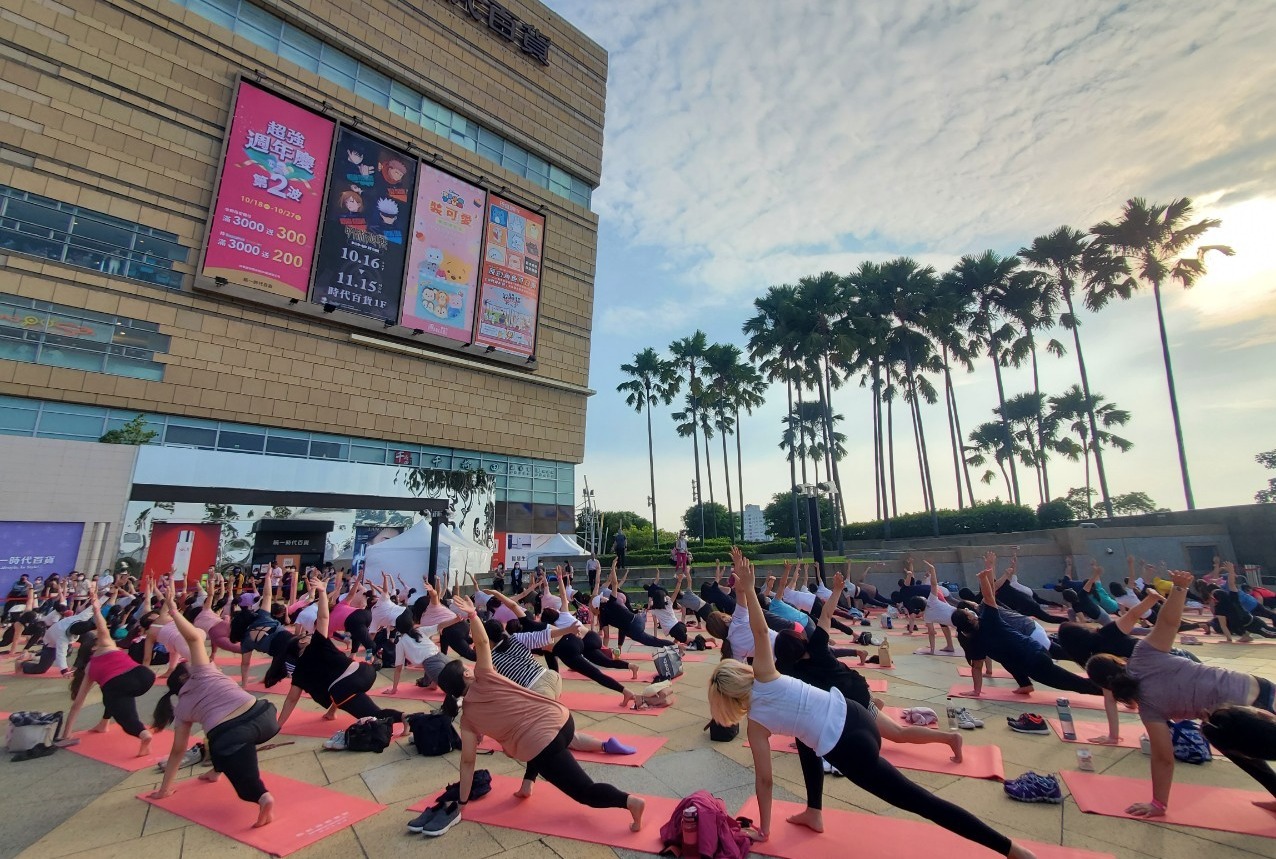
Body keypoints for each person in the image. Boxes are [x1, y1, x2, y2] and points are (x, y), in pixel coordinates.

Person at [707, 548, 1035, 858]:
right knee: (805, 739)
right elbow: (762, 632)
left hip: (849, 747)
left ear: (727, 702)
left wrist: (764, 831)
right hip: (856, 712)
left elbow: (765, 780)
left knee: (922, 802)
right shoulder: (765, 673)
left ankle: (1010, 849)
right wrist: (748, 589)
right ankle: (814, 812)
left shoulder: (756, 726)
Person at [437, 594, 645, 837]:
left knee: (584, 791)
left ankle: (630, 802)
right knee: (537, 738)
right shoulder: (488, 671)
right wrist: (472, 615)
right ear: (466, 676)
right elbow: (484, 642)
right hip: (560, 715)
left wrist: (462, 802)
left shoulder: (468, 719)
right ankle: (530, 783)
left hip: (543, 738)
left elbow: (468, 762)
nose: (470, 666)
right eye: (466, 668)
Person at [1084, 569, 1275, 817]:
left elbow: (1163, 758)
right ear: (1119, 661)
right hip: (1251, 696)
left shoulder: (1148, 708)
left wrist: (1158, 804)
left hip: (1242, 714)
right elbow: (1169, 623)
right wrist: (1179, 588)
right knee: (1224, 738)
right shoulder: (1143, 655)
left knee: (1226, 740)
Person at [151, 586, 280, 828]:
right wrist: (173, 611)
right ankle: (215, 772)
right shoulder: (202, 671)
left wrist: (165, 790)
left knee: (227, 751)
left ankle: (262, 798)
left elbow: (178, 751)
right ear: (183, 677)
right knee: (223, 740)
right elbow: (193, 638)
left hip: (234, 735)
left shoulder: (181, 709)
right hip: (267, 717)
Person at [951, 553, 1106, 701]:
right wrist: (985, 575)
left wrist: (976, 691)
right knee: (1008, 658)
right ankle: (1025, 684)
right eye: (966, 611)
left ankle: (1117, 691)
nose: (968, 609)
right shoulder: (988, 619)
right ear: (970, 618)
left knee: (1075, 682)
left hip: (1033, 654)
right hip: (1033, 652)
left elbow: (977, 667)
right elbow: (989, 595)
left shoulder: (973, 639)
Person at [266, 579, 400, 737]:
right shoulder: (339, 611)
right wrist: (324, 592)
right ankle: (371, 661)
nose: (308, 635)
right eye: (306, 635)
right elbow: (324, 616)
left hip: (347, 684)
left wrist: (279, 724)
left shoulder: (301, 670)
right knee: (364, 646)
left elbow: (291, 700)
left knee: (351, 693)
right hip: (365, 671)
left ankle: (403, 717)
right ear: (302, 642)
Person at [62, 585, 157, 757]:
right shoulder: (108, 645)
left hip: (119, 683)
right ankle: (106, 725)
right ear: (96, 644)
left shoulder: (90, 668)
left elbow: (78, 704)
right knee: (115, 698)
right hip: (144, 675)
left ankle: (143, 734)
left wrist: (66, 734)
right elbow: (101, 626)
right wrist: (96, 607)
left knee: (122, 711)